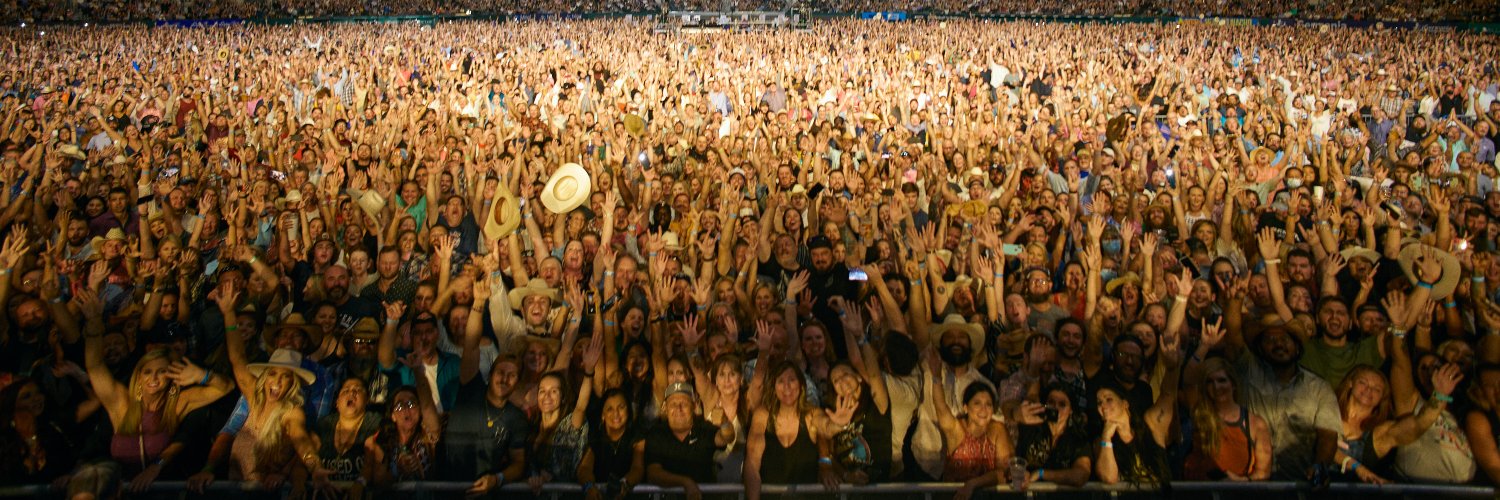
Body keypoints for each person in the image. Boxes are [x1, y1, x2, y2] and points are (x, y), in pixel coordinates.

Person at [925, 351, 1014, 500]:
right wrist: (936, 377)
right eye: (977, 403)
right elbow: (940, 406)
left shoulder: (997, 429)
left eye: (988, 404)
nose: (983, 410)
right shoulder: (956, 429)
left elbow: (1004, 472)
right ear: (966, 408)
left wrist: (973, 484)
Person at [645, 382, 733, 500]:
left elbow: (725, 438)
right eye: (673, 404)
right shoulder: (657, 433)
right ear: (665, 408)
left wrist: (725, 423)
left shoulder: (704, 428)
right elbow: (653, 473)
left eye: (684, 404)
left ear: (694, 406)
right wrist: (686, 483)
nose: (678, 408)